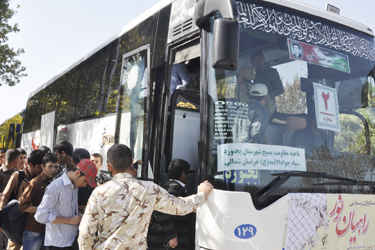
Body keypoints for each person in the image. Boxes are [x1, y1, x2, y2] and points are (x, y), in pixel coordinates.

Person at [78, 144, 213, 250]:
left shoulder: (99, 193)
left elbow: (85, 233)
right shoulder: (149, 189)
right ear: (131, 162)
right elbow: (180, 206)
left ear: (109, 166)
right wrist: (202, 194)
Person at [34, 159, 97, 250]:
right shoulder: (55, 187)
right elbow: (40, 215)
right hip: (57, 244)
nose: (84, 185)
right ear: (78, 173)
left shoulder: (74, 187)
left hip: (71, 241)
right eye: (85, 181)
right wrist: (69, 220)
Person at [1, 149, 44, 250]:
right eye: (38, 167)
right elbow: (5, 196)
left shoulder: (42, 178)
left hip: (33, 225)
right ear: (30, 164)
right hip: (16, 223)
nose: (40, 170)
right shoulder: (18, 176)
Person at [148, 159, 196, 250]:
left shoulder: (165, 186)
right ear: (182, 174)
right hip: (175, 240)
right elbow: (163, 213)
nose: (189, 177)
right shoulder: (174, 189)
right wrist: (171, 235)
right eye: (188, 173)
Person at [18, 153, 59, 250]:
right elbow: (22, 206)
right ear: (43, 167)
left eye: (56, 167)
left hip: (49, 229)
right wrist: (41, 210)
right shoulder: (35, 183)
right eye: (50, 166)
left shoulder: (57, 183)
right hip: (34, 229)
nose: (53, 169)